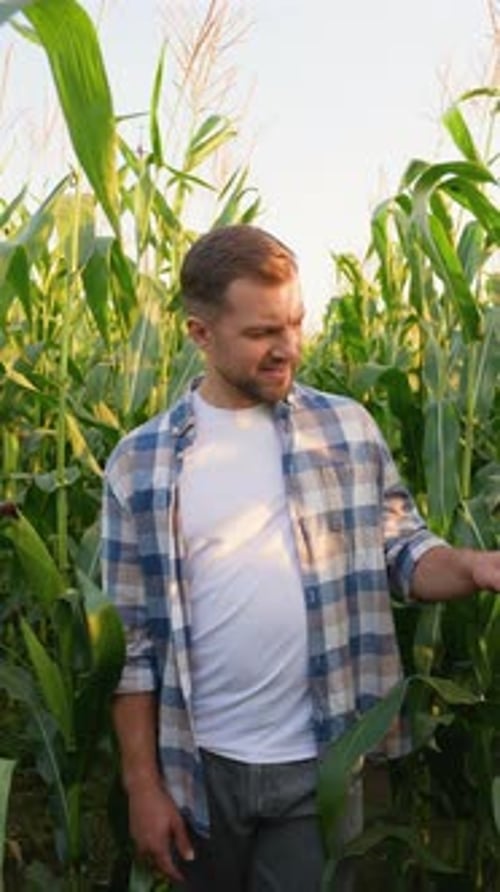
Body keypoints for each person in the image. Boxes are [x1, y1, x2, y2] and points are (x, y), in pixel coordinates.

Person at [101, 224, 500, 892]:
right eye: (262, 333)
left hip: (328, 757)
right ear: (201, 333)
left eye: (294, 323)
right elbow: (131, 645)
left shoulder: (346, 430)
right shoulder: (140, 465)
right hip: (200, 767)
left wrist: (474, 567)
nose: (287, 348)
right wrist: (142, 786)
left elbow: (403, 553)